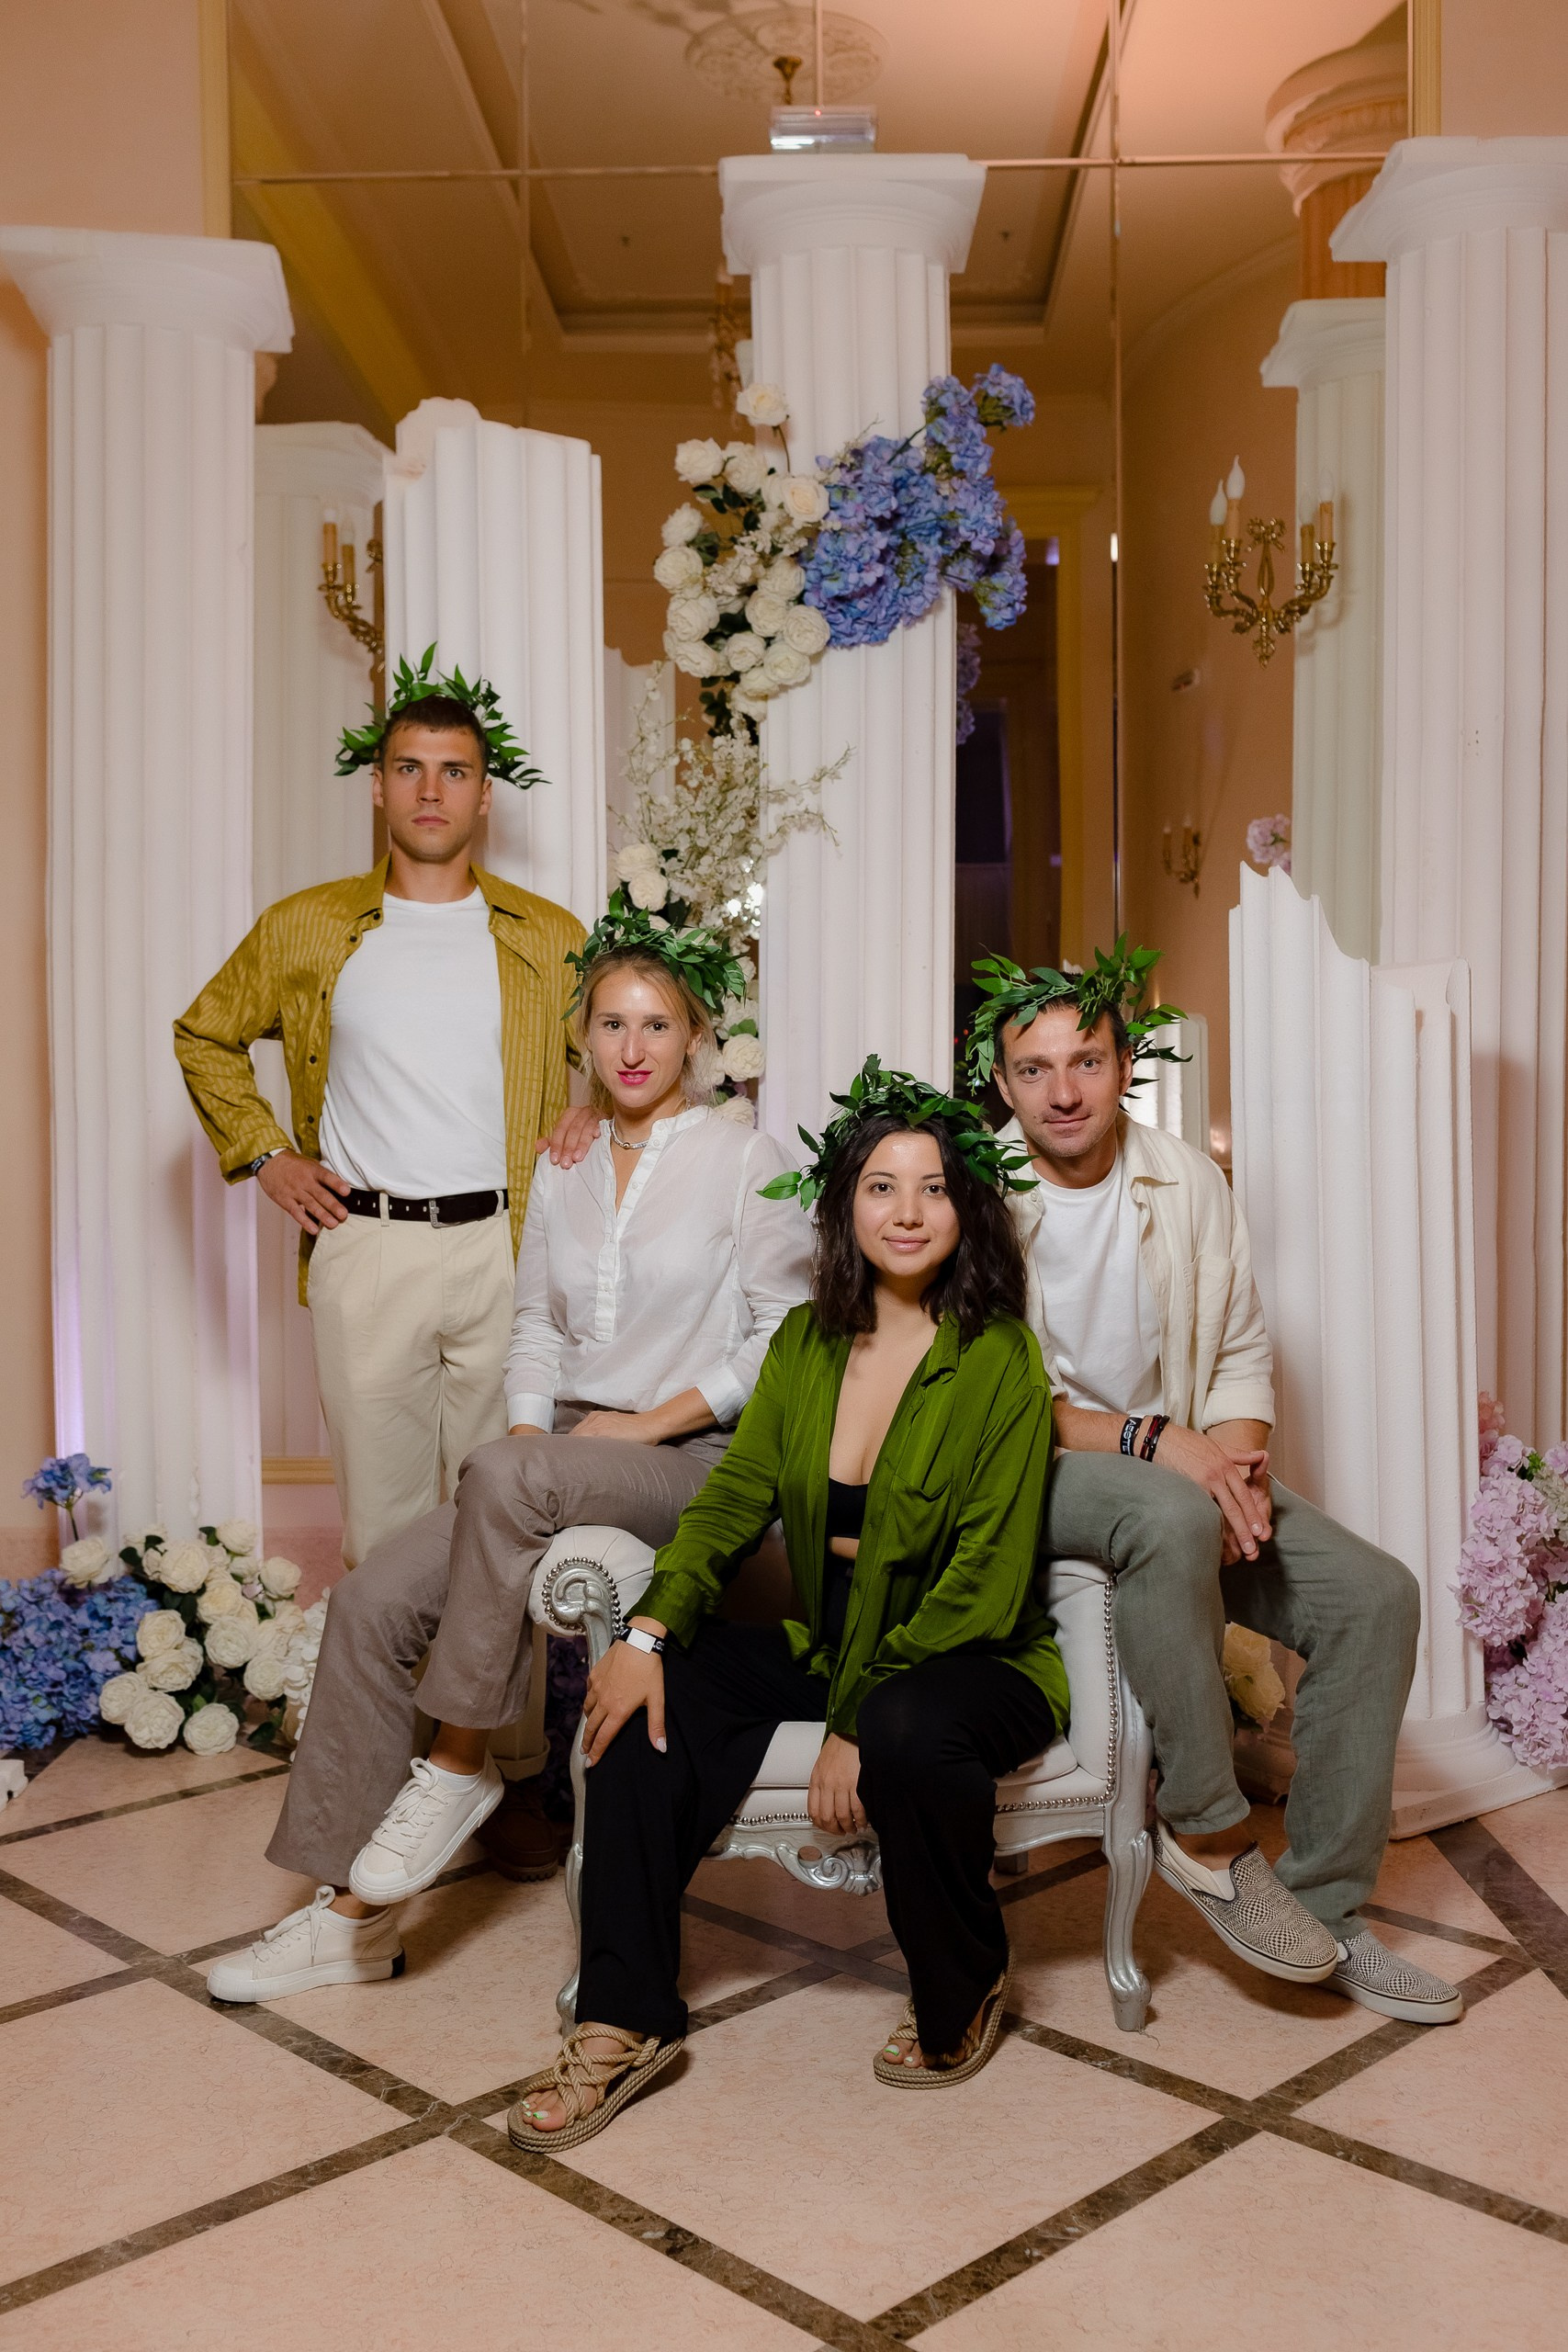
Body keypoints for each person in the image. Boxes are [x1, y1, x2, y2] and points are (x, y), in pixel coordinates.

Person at [208, 905, 811, 2002]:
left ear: (697, 1037)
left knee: (501, 1470)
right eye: (612, 1024)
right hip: (563, 1450)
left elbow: (784, 1338)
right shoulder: (565, 1164)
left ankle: (458, 1762)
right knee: (372, 1598)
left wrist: (646, 1424)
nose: (634, 1047)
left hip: (699, 1456)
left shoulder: (744, 1155)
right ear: (583, 1038)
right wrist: (532, 1436)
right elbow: (535, 1323)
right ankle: (348, 1922)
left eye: (658, 1025)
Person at [505, 1059, 1069, 2149]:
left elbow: (986, 1581)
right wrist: (645, 1635)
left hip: (979, 1655)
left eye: (934, 1188)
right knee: (641, 1704)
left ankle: (965, 1983)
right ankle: (624, 2018)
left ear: (966, 1209)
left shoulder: (1000, 1356)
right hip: (834, 1636)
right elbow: (729, 1503)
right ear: (844, 1204)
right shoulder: (805, 1342)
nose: (908, 1211)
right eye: (882, 1186)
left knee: (905, 1725)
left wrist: (855, 1715)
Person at [968, 945, 1463, 2026]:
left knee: (1375, 1596)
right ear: (1002, 1081)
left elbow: (1238, 1352)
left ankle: (1326, 1910)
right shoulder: (975, 1197)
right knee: (1165, 1507)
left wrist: (1233, 1471)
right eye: (1034, 1068)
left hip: (1186, 1469)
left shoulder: (1185, 1178)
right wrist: (1157, 1444)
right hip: (1038, 1474)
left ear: (1123, 1064)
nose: (1063, 1090)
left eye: (1086, 1061)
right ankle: (1203, 1827)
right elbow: (991, 1401)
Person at [175, 652, 584, 1572]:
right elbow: (205, 1033)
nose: (431, 791)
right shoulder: (307, 925)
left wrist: (592, 1106)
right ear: (378, 787)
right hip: (365, 1248)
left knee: (505, 1529)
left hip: (506, 1248)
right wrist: (266, 1155)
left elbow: (628, 1052)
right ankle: (387, 1679)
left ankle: (491, 1684)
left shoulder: (550, 934)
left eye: (455, 771)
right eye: (410, 768)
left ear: (485, 796)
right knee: (383, 1538)